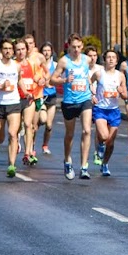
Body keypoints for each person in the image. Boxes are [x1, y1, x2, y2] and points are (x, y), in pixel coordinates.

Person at [52, 36, 94, 180]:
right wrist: (64, 80)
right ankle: (67, 160)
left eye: (78, 47)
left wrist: (92, 88)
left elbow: (89, 75)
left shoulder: (87, 60)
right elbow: (52, 79)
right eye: (73, 47)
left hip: (85, 99)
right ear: (69, 46)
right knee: (70, 135)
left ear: (82, 46)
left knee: (87, 130)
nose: (76, 50)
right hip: (69, 102)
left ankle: (84, 167)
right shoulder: (64, 61)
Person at [0, 41, 25, 178]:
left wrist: (25, 91)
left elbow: (18, 80)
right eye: (5, 48)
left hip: (14, 102)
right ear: (1, 50)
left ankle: (12, 165)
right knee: (1, 136)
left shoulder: (17, 66)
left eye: (10, 49)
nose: (8, 51)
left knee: (13, 134)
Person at [90, 48, 125, 176]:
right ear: (104, 60)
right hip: (100, 109)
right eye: (108, 57)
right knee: (104, 136)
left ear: (116, 61)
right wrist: (91, 95)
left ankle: (105, 164)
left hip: (114, 111)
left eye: (113, 57)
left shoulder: (120, 75)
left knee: (110, 142)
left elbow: (125, 95)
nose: (110, 59)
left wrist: (122, 92)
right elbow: (89, 82)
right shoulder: (99, 74)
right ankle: (99, 145)